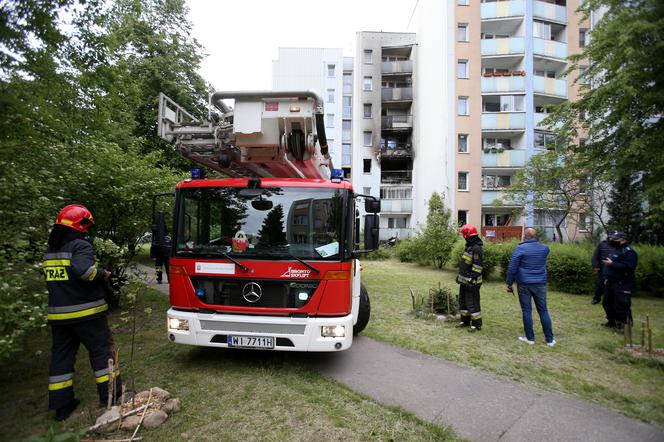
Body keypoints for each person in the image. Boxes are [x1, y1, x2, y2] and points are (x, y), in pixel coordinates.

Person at [43, 204, 122, 421]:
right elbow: (85, 272)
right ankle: (112, 395)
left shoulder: (51, 250)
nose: (87, 229)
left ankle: (62, 406)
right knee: (101, 352)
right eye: (85, 224)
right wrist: (103, 273)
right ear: (79, 224)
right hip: (86, 314)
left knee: (61, 359)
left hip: (59, 317)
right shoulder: (80, 246)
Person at [506, 227, 555, 347]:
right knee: (543, 310)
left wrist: (509, 283)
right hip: (540, 283)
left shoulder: (520, 248)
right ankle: (549, 340)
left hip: (524, 284)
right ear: (535, 236)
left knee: (527, 311)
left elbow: (512, 267)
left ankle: (530, 338)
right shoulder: (544, 248)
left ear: (524, 236)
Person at [602, 231, 638, 333]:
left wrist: (612, 264)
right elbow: (609, 265)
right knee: (607, 303)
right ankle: (612, 321)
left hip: (623, 283)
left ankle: (624, 326)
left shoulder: (629, 252)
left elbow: (629, 268)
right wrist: (606, 277)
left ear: (623, 240)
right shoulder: (615, 249)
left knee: (621, 305)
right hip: (611, 282)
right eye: (612, 239)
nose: (612, 241)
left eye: (615, 239)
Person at [455, 224, 484, 332]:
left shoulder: (476, 248)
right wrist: (459, 277)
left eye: (464, 234)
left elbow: (477, 267)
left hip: (472, 282)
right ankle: (465, 321)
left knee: (472, 302)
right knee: (463, 301)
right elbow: (465, 264)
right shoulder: (470, 246)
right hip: (465, 281)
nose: (463, 237)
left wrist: (472, 279)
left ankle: (476, 324)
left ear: (467, 235)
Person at [591, 235, 615, 304]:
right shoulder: (602, 244)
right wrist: (595, 266)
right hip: (602, 268)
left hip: (614, 267)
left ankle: (611, 300)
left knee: (612, 285)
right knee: (600, 284)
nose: (612, 238)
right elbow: (595, 256)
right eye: (611, 236)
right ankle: (596, 298)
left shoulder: (618, 245)